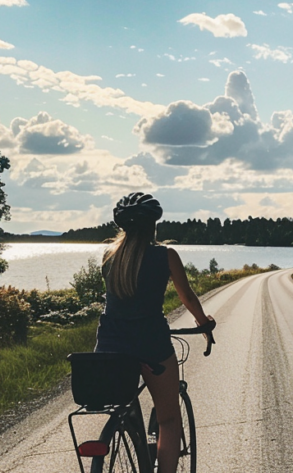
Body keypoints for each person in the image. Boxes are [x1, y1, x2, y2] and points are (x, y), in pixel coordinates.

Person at [95, 192, 215, 473]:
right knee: (168, 420)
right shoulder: (166, 256)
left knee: (122, 405)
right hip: (152, 345)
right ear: (153, 226)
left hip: (109, 347)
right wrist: (204, 325)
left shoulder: (109, 257)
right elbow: (187, 297)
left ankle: (124, 428)